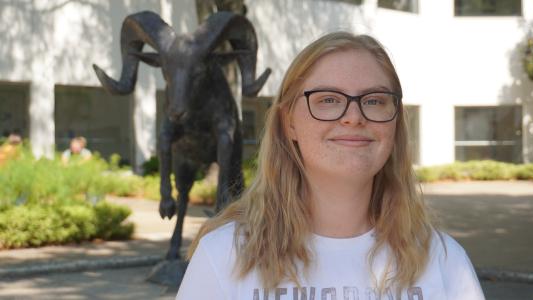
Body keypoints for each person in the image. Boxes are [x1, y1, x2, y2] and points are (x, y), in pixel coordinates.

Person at [177, 32, 485, 299]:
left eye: (375, 100)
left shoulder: (443, 261)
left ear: (395, 122)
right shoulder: (224, 256)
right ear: (289, 123)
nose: (354, 116)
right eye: (328, 99)